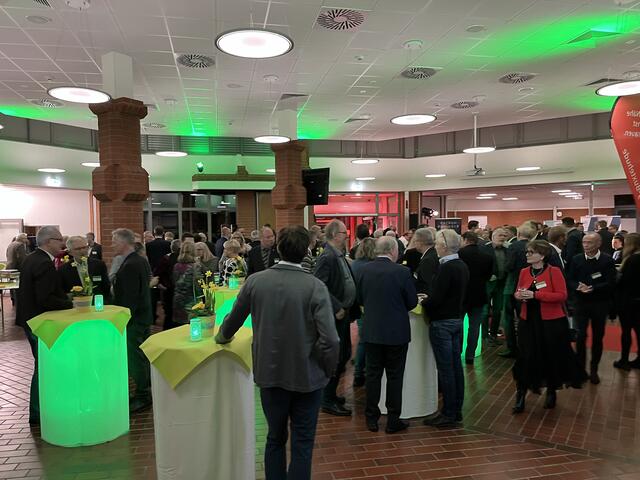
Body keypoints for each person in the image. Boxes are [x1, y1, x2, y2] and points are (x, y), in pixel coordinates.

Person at [215, 226, 339, 480]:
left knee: (274, 437)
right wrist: (328, 370)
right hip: (308, 375)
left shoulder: (256, 281)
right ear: (306, 251)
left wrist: (222, 337)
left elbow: (232, 321)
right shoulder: (315, 287)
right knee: (303, 442)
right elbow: (330, 339)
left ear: (278, 248)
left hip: (270, 372)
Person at [511, 240, 586, 414]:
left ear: (542, 255)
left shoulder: (554, 272)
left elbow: (561, 295)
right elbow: (518, 290)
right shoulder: (524, 271)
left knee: (550, 356)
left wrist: (535, 295)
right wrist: (519, 296)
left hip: (550, 323)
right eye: (527, 252)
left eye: (531, 252)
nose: (527, 254)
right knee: (526, 357)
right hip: (528, 321)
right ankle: (521, 394)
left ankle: (551, 390)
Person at [355, 236, 417, 433]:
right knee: (395, 376)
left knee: (372, 375)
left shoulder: (364, 270)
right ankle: (393, 419)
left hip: (372, 330)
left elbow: (359, 298)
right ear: (393, 251)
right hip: (396, 332)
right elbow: (412, 302)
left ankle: (371, 418)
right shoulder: (402, 272)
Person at [16, 226, 73, 424]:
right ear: (49, 241)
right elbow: (46, 298)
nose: (63, 244)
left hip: (29, 318)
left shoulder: (32, 258)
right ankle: (38, 411)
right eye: (59, 240)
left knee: (41, 364)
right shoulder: (44, 263)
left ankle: (40, 409)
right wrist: (70, 303)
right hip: (39, 321)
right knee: (43, 366)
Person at [421, 229, 469, 427]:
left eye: (437, 245)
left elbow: (437, 298)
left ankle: (449, 412)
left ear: (444, 246)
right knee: (455, 367)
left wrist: (424, 302)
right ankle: (456, 409)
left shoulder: (447, 268)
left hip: (442, 322)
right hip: (456, 319)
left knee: (446, 369)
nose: (436, 248)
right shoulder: (462, 265)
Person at [314, 219, 358, 417]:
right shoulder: (327, 257)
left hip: (344, 313)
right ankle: (327, 399)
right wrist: (336, 306)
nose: (346, 236)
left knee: (344, 354)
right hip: (336, 314)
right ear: (333, 234)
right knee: (336, 356)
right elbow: (319, 284)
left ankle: (331, 394)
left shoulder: (338, 254)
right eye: (343, 233)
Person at [111, 228, 153, 412]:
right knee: (141, 356)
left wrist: (123, 319)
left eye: (114, 241)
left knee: (135, 358)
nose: (112, 245)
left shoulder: (130, 264)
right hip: (142, 316)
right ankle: (145, 390)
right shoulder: (139, 260)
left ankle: (143, 394)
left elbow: (130, 297)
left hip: (133, 319)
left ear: (123, 242)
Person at [566, 232, 616, 384]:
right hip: (580, 303)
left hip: (600, 304)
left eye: (589, 242)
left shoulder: (607, 260)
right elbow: (569, 279)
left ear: (598, 244)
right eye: (584, 242)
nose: (586, 245)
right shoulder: (576, 259)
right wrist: (578, 286)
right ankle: (580, 369)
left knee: (597, 337)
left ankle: (594, 369)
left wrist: (593, 288)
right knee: (580, 337)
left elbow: (611, 282)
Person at [501, 222, 538, 357]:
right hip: (529, 285)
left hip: (512, 285)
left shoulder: (513, 247)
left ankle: (512, 348)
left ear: (518, 233)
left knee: (508, 318)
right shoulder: (534, 247)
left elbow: (509, 266)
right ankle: (527, 347)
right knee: (525, 317)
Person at [458, 231, 494, 365]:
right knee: (474, 326)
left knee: (459, 325)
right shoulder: (487, 257)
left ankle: (457, 352)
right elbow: (488, 276)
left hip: (461, 295)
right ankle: (470, 356)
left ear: (465, 240)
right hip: (479, 294)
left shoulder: (459, 255)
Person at [350, 237, 376, 387]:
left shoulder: (354, 264)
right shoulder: (371, 266)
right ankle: (362, 372)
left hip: (358, 305)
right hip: (370, 306)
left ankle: (358, 373)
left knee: (362, 339)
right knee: (367, 340)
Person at [613, 233, 640, 371]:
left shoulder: (631, 260)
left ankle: (624, 360)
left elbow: (624, 282)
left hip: (628, 302)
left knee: (626, 331)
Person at [59, 236, 111, 303]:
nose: (82, 251)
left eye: (84, 247)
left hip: (98, 304)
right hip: (76, 305)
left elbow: (106, 287)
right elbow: (63, 291)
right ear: (70, 252)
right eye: (78, 249)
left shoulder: (99, 265)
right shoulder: (63, 269)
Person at [481, 228, 509, 345]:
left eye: (504, 236)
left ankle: (493, 334)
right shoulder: (484, 248)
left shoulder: (507, 249)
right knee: (485, 310)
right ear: (493, 237)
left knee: (498, 310)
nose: (502, 238)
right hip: (488, 283)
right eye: (500, 235)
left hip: (502, 283)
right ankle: (484, 336)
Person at [172, 241, 204, 325]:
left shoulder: (176, 266)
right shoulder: (195, 266)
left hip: (178, 299)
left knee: (179, 326)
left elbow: (174, 281)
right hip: (191, 302)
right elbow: (198, 285)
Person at [154, 239, 181, 330]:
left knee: (168, 314)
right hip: (174, 290)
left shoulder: (165, 258)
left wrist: (160, 284)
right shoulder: (180, 259)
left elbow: (157, 272)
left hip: (168, 290)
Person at [412, 227, 439, 294]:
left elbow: (427, 285)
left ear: (420, 242)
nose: (414, 244)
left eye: (415, 241)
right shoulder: (433, 253)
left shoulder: (427, 260)